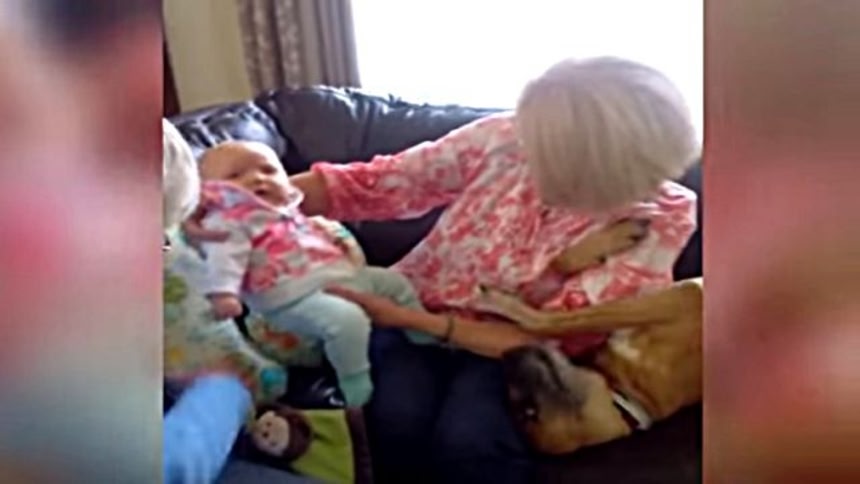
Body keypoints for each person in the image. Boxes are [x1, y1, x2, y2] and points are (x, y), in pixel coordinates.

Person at [186, 56, 699, 484]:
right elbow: (384, 183)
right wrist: (231, 205)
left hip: (511, 352)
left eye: (542, 152)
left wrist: (417, 321)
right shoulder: (507, 136)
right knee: (396, 418)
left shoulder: (664, 217)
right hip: (412, 301)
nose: (523, 152)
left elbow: (554, 332)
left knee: (469, 440)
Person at [193, 140, 428, 407]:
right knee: (348, 321)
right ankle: (354, 380)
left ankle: (421, 331)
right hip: (292, 296)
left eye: (268, 170)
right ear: (209, 192)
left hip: (343, 277)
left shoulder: (288, 209)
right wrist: (224, 293)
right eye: (235, 175)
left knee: (395, 282)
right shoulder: (228, 222)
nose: (257, 178)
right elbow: (224, 258)